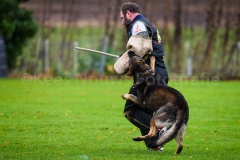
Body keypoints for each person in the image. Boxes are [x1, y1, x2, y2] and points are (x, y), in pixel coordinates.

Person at [114, 2, 169, 151]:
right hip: (159, 74)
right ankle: (155, 145)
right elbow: (144, 51)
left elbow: (140, 48)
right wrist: (125, 56)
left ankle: (159, 128)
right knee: (144, 112)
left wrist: (125, 60)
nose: (121, 21)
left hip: (149, 77)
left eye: (121, 17)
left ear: (128, 14)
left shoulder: (138, 25)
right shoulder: (147, 24)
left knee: (131, 111)